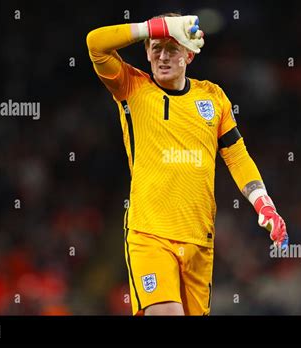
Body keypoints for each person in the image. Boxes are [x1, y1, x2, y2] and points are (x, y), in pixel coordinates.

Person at [86, 13, 288, 316]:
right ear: (146, 51)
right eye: (156, 47)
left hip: (199, 242)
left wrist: (264, 203)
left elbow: (236, 155)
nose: (163, 57)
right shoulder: (132, 88)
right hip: (150, 236)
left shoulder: (214, 97)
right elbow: (95, 44)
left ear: (189, 54)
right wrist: (152, 28)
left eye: (173, 48)